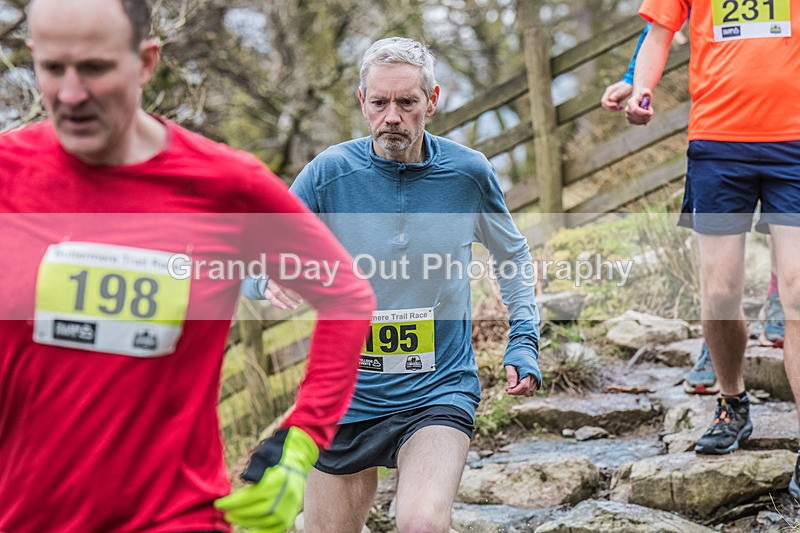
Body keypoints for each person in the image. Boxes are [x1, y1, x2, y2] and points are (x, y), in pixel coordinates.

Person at [0, 0, 375, 532]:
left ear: (146, 62)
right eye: (53, 68)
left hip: (174, 516)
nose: (71, 93)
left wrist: (300, 443)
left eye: (96, 68)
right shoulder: (6, 175)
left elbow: (346, 294)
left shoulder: (225, 187)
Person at [243, 37, 540, 532]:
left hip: (437, 389)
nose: (393, 117)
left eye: (407, 102)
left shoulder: (468, 174)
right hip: (348, 396)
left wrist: (524, 339)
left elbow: (513, 255)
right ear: (362, 102)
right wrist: (264, 279)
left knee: (421, 522)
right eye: (380, 103)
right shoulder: (328, 174)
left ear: (433, 100)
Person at [623, 0, 800, 497]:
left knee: (798, 294)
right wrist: (641, 87)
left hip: (795, 145)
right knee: (720, 292)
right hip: (719, 144)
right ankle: (732, 402)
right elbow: (659, 33)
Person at [601, 21, 786, 395]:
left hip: (785, 112)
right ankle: (715, 344)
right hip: (719, 119)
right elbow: (664, 22)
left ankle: (779, 294)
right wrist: (635, 77)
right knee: (719, 272)